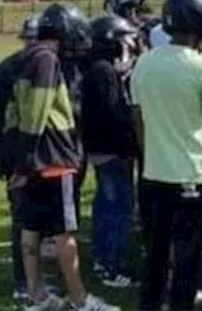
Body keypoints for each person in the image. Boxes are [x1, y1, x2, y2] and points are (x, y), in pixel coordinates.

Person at [12, 3, 117, 311]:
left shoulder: (26, 58)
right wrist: (28, 158)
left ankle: (36, 295)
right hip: (54, 160)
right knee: (64, 233)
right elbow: (36, 112)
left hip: (35, 161)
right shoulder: (47, 60)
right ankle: (80, 299)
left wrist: (22, 159)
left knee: (31, 228)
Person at [129, 0, 202, 311]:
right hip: (192, 171)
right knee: (188, 249)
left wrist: (151, 151)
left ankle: (151, 302)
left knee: (157, 246)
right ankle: (182, 303)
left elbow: (138, 116)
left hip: (154, 170)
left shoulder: (144, 62)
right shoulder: (200, 66)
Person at [0, 15, 46, 304]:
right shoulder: (9, 68)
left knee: (44, 219)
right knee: (23, 219)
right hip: (19, 156)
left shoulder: (46, 65)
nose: (33, 45)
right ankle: (23, 281)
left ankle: (40, 276)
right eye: (29, 39)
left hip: (45, 154)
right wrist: (6, 151)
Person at [81, 15, 141, 288]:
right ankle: (111, 264)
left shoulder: (99, 69)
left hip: (101, 150)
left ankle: (102, 259)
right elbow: (114, 111)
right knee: (118, 208)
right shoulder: (103, 72)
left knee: (106, 207)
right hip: (112, 151)